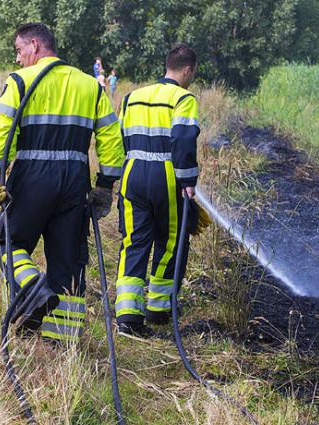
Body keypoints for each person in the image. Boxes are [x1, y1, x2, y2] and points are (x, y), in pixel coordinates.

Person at [0, 23, 124, 343]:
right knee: (68, 260)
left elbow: (1, 128)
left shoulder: (20, 81)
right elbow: (111, 138)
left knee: (3, 243)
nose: (18, 59)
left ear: (34, 45)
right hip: (75, 179)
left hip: (32, 176)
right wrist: (104, 184)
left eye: (19, 50)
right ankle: (61, 339)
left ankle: (33, 291)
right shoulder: (90, 86)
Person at [113, 44, 200, 336]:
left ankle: (127, 315)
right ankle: (159, 310)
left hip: (132, 172)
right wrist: (188, 181)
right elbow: (184, 140)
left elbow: (120, 137)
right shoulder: (184, 98)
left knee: (133, 242)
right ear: (187, 70)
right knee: (170, 240)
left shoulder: (132, 97)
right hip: (166, 175)